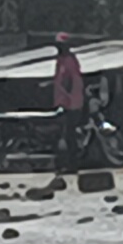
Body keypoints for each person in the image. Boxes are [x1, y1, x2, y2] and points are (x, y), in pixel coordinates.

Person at [52, 36, 85, 171]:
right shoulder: (61, 60)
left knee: (69, 135)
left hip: (70, 103)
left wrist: (66, 98)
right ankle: (67, 163)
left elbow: (70, 81)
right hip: (64, 102)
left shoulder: (69, 61)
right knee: (64, 134)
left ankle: (72, 164)